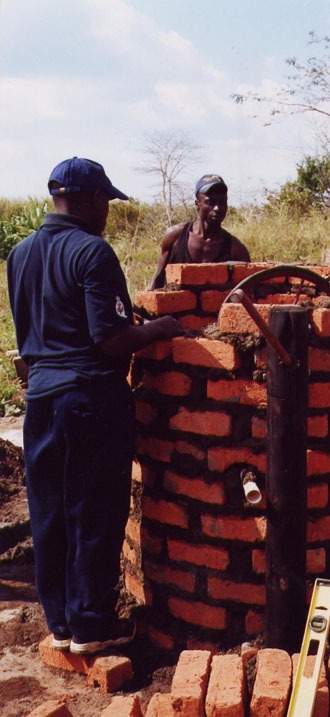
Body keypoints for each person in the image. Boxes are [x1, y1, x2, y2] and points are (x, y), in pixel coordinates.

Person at [7, 157, 184, 656]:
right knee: (93, 511)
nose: (107, 210)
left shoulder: (19, 254)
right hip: (88, 400)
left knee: (50, 513)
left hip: (39, 400)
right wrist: (160, 331)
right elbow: (110, 338)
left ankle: (61, 623)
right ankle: (92, 625)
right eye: (104, 200)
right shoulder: (92, 252)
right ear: (85, 200)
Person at [149, 173, 250, 289]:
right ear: (198, 204)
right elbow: (157, 279)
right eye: (210, 203)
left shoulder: (235, 249)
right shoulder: (175, 236)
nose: (217, 208)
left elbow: (247, 291)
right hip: (174, 305)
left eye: (222, 202)